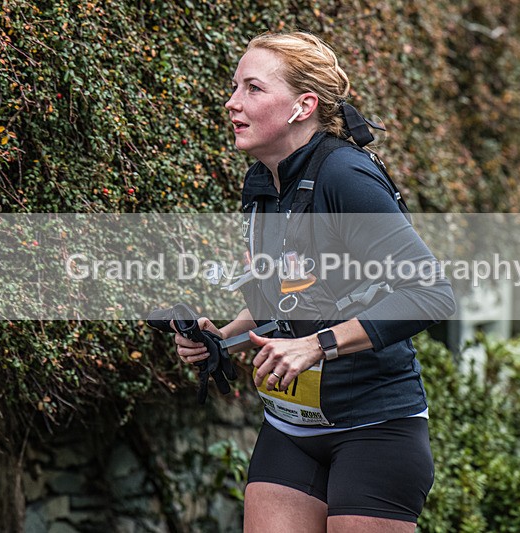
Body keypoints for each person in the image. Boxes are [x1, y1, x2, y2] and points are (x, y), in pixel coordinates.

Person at [172, 31, 456, 532]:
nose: (232, 103)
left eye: (253, 89)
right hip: (290, 428)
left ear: (303, 106)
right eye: (235, 87)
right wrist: (223, 339)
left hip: (375, 429)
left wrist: (317, 346)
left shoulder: (344, 176)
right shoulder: (262, 181)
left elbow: (431, 293)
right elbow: (279, 298)